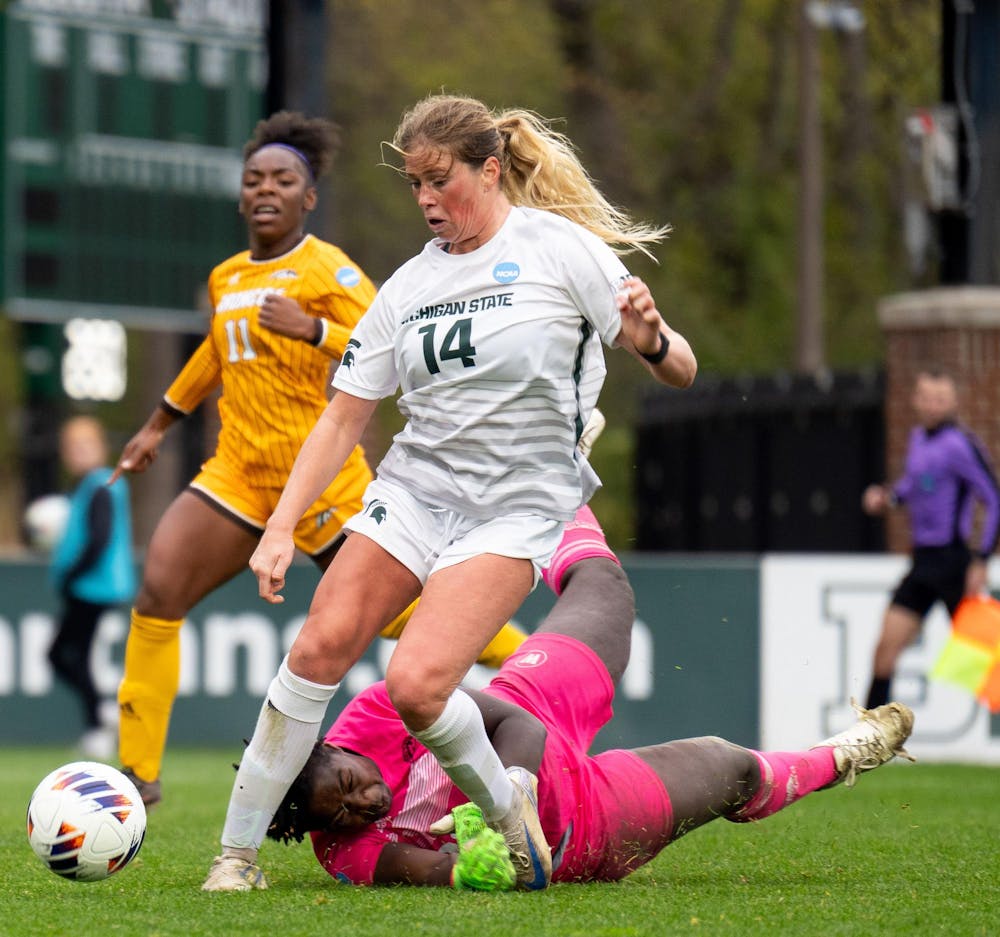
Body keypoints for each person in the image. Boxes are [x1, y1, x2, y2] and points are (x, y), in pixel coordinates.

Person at [202, 92, 698, 893]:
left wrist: (651, 340)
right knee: (316, 647)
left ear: (490, 168)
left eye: (440, 180)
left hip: (518, 506)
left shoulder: (560, 250)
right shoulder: (408, 286)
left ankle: (509, 814)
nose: (427, 199)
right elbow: (342, 420)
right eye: (414, 186)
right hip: (416, 491)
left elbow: (681, 367)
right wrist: (280, 526)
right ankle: (236, 855)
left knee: (417, 687)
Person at [109, 110, 531, 808]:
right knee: (158, 590)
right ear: (242, 196)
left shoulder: (328, 269)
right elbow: (216, 353)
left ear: (308, 197)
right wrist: (157, 423)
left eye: (284, 179)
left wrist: (313, 330)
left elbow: (395, 345)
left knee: (407, 619)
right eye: (254, 180)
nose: (265, 189)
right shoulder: (226, 278)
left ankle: (532, 664)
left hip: (325, 479)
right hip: (239, 473)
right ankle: (137, 775)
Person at [257, 513, 915, 890]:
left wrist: (503, 802)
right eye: (339, 813)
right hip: (582, 823)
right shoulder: (346, 853)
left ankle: (559, 471)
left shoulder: (375, 710)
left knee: (602, 585)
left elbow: (511, 721)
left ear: (334, 744)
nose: (363, 802)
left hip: (529, 708)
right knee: (732, 767)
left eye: (349, 782)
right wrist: (480, 863)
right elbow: (443, 871)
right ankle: (843, 753)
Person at [862, 367, 1000, 710]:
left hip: (953, 562)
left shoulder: (961, 444)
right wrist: (888, 498)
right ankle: (867, 742)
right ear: (916, 400)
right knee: (885, 650)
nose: (933, 405)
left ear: (952, 401)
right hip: (923, 563)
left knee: (984, 664)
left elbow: (994, 498)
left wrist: (982, 559)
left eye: (941, 398)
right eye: (927, 397)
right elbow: (914, 486)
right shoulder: (918, 439)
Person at [48, 416, 136, 760]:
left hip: (93, 587)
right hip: (88, 587)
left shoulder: (101, 484)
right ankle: (98, 720)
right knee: (75, 656)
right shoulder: (86, 487)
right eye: (72, 447)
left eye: (85, 445)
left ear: (100, 448)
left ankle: (99, 720)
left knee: (65, 655)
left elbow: (98, 539)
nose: (78, 453)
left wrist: (71, 573)